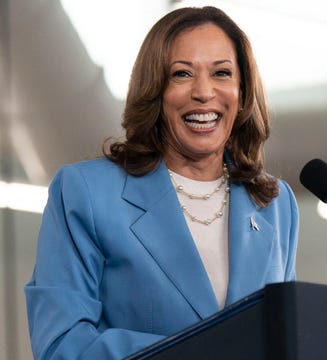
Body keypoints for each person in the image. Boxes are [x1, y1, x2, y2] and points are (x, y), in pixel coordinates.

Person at [25, 6, 299, 360]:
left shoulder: (276, 203)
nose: (204, 92)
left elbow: (289, 335)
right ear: (155, 89)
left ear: (242, 91)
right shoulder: (85, 192)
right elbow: (61, 345)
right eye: (182, 74)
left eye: (222, 73)